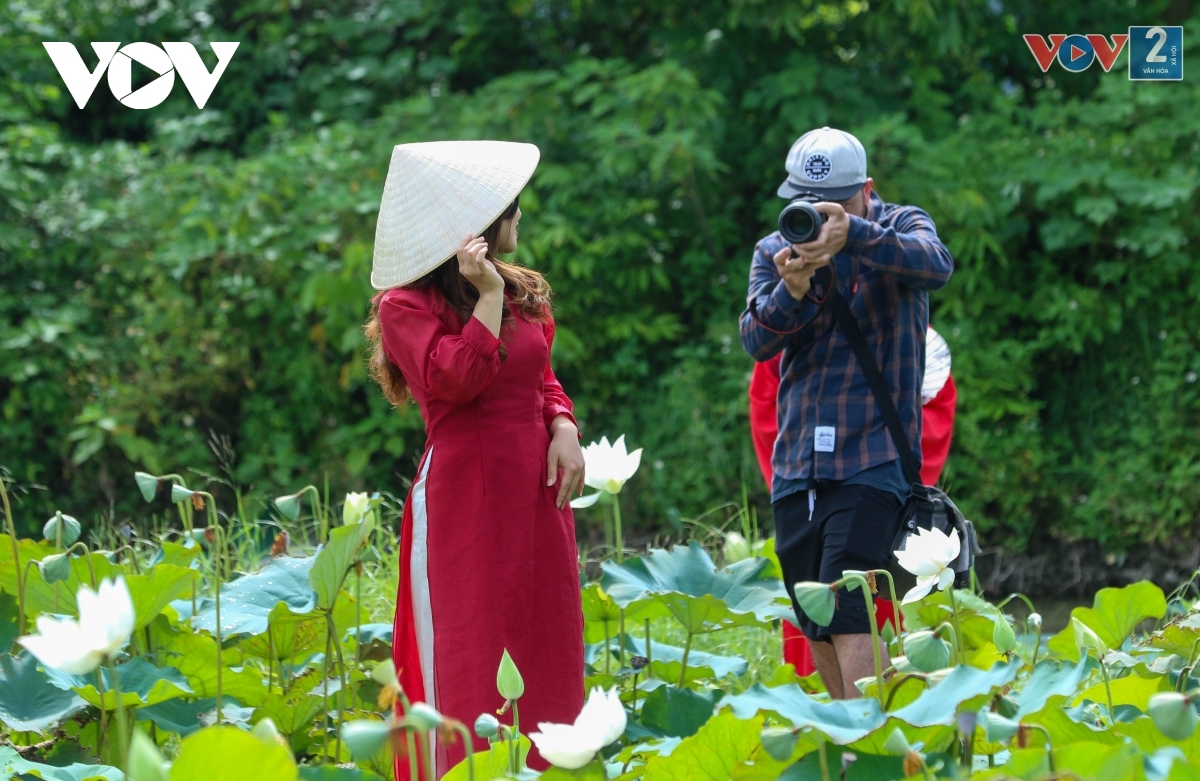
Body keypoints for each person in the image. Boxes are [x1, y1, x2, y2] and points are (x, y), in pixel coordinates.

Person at [363, 141, 586, 777]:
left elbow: (540, 376)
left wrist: (563, 423)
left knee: (544, 641)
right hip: (464, 496)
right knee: (471, 646)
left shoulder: (523, 293)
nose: (519, 214)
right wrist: (486, 298)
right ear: (478, 228)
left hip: (536, 494)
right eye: (509, 207)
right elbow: (453, 383)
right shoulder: (404, 307)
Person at [739, 127, 954, 699]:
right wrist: (793, 287)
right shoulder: (777, 249)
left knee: (849, 602)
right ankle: (853, 741)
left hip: (874, 454)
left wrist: (855, 236)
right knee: (815, 615)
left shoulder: (902, 225)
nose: (819, 214)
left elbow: (937, 266)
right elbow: (755, 340)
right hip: (798, 462)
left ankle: (875, 741)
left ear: (866, 190)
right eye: (808, 203)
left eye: (836, 201)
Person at [748, 329, 957, 675]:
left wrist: (895, 480)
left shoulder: (908, 327)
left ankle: (877, 718)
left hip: (876, 486)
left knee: (863, 606)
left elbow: (933, 413)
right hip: (806, 483)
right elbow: (767, 404)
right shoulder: (788, 316)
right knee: (814, 609)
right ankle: (835, 719)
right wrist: (793, 476)